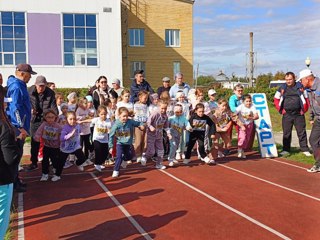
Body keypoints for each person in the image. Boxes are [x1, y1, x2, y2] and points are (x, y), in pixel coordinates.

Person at [6, 63, 37, 192]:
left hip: (20, 125)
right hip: (17, 127)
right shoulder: (17, 86)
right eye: (29, 75)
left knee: (17, 155)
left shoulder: (20, 85)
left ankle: (16, 180)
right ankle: (14, 183)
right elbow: (15, 108)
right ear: (22, 73)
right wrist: (20, 127)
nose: (30, 78)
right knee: (16, 155)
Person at [274, 71, 311, 156]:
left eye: (290, 79)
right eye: (287, 79)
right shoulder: (282, 88)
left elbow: (306, 99)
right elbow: (276, 99)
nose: (288, 81)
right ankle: (286, 150)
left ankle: (304, 149)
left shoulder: (301, 87)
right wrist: (281, 110)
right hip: (287, 114)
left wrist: (304, 110)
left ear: (294, 78)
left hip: (299, 114)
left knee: (301, 132)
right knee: (286, 133)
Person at [0, 85, 20, 239]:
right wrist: (17, 142)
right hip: (2, 181)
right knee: (1, 224)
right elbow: (11, 158)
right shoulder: (3, 127)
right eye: (4, 101)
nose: (6, 104)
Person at [27, 75, 58, 171]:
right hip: (34, 119)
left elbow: (54, 107)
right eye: (39, 86)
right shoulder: (29, 91)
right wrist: (30, 110)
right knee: (34, 142)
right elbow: (25, 104)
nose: (41, 88)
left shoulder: (50, 93)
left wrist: (54, 116)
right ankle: (34, 162)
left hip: (46, 119)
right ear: (35, 85)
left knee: (49, 140)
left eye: (43, 86)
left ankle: (51, 161)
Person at [108, 107, 145, 178]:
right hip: (120, 144)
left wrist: (141, 125)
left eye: (126, 116)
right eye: (123, 116)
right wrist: (111, 146)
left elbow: (138, 123)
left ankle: (124, 160)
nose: (125, 118)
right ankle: (116, 171)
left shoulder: (130, 122)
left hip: (128, 144)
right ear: (119, 116)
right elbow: (111, 135)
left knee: (130, 156)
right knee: (118, 157)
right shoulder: (116, 124)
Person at [299, 69, 320, 173]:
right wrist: (311, 117)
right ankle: (319, 164)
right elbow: (312, 105)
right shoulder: (310, 89)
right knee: (313, 140)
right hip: (318, 119)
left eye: (301, 80)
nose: (301, 82)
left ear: (307, 79)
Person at [57, 111, 88, 181]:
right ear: (66, 120)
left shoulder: (77, 126)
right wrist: (70, 135)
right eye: (70, 119)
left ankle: (77, 163)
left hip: (75, 146)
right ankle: (57, 175)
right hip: (66, 147)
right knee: (61, 163)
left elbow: (79, 132)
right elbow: (62, 138)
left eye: (74, 119)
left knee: (83, 159)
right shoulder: (65, 128)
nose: (72, 121)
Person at [33, 109, 62, 181]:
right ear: (45, 118)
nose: (50, 119)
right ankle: (45, 173)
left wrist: (63, 142)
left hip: (56, 147)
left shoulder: (58, 126)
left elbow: (63, 134)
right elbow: (38, 132)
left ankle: (56, 171)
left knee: (55, 160)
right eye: (48, 117)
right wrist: (36, 138)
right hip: (47, 146)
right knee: (45, 161)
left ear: (55, 117)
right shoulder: (44, 125)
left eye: (52, 117)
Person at [145, 100, 171, 169]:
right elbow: (148, 122)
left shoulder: (165, 116)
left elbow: (166, 126)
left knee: (161, 151)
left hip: (159, 136)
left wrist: (169, 134)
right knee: (152, 152)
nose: (163, 110)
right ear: (158, 107)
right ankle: (145, 156)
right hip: (151, 135)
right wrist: (151, 127)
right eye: (162, 108)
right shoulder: (155, 114)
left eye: (165, 108)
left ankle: (159, 164)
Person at [235, 94, 259, 158]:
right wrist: (237, 118)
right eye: (247, 101)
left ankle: (242, 150)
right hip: (242, 124)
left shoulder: (253, 106)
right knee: (242, 137)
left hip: (249, 124)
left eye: (249, 101)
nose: (248, 103)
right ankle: (239, 149)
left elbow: (257, 116)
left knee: (247, 139)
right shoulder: (240, 107)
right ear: (243, 101)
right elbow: (234, 113)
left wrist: (252, 118)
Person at [133, 91, 149, 164]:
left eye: (147, 98)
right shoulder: (136, 105)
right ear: (140, 98)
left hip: (145, 124)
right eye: (145, 98)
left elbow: (148, 115)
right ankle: (138, 155)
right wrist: (139, 125)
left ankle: (143, 154)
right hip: (138, 125)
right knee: (138, 140)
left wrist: (145, 124)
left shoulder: (147, 106)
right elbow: (134, 115)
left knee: (145, 140)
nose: (146, 100)